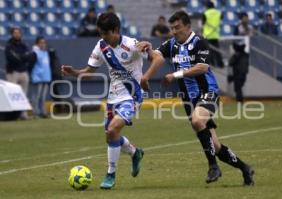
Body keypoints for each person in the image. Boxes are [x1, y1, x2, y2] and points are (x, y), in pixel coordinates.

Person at [137, 11, 254, 186]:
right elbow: (157, 56)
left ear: (188, 27)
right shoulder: (171, 44)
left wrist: (176, 74)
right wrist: (148, 49)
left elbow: (202, 68)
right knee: (215, 145)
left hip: (208, 92)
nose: (174, 32)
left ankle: (213, 166)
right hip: (189, 99)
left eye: (178, 28)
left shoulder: (199, 42)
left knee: (197, 121)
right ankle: (245, 168)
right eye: (172, 28)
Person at [62, 13, 145, 189]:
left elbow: (154, 55)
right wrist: (74, 72)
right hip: (113, 98)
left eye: (105, 33)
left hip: (132, 97)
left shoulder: (132, 45)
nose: (103, 37)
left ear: (115, 30)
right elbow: (89, 71)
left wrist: (149, 48)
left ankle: (110, 174)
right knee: (111, 135)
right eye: (100, 34)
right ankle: (135, 152)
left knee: (113, 128)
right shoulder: (101, 46)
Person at [5, 27, 35, 120]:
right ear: (12, 34)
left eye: (19, 33)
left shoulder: (23, 45)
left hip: (23, 71)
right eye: (15, 33)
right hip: (13, 72)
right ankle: (12, 115)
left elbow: (29, 56)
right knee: (12, 95)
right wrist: (23, 57)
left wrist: (22, 57)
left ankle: (23, 114)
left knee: (23, 95)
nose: (17, 34)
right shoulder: (9, 45)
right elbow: (13, 58)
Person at [31, 36, 52, 118]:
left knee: (43, 97)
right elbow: (31, 65)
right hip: (38, 77)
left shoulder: (46, 53)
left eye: (44, 42)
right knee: (37, 96)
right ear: (37, 44)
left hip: (46, 77)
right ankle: (35, 113)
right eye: (41, 42)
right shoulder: (35, 53)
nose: (43, 44)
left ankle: (43, 112)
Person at [202, 1, 224, 68]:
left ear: (207, 6)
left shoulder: (205, 13)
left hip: (207, 34)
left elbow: (203, 23)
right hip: (215, 34)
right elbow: (221, 19)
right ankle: (220, 64)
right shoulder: (218, 13)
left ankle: (212, 64)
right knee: (217, 50)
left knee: (209, 50)